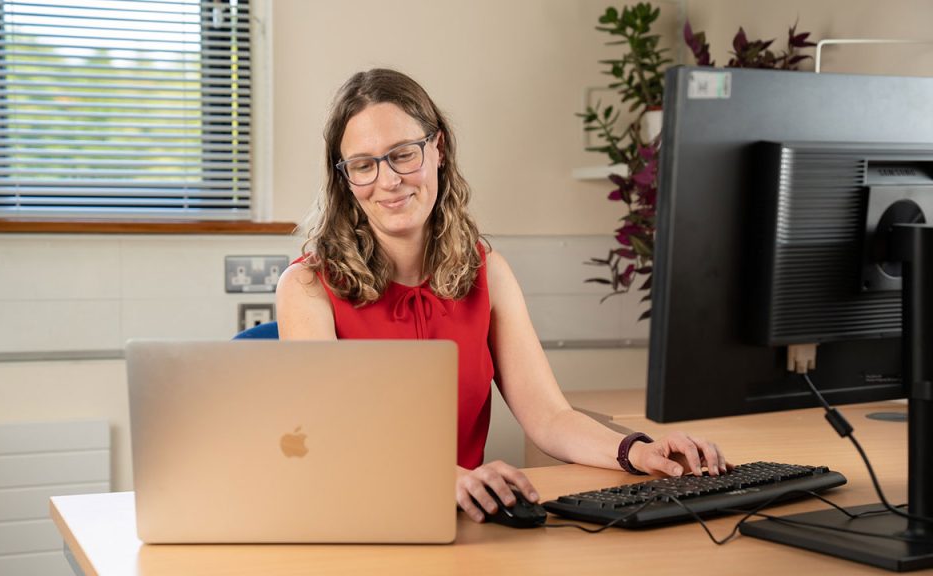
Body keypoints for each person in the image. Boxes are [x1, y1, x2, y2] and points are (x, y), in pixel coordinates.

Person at [276, 68, 728, 523]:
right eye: (363, 164)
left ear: (438, 149)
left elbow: (550, 418)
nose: (388, 180)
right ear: (345, 178)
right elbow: (328, 436)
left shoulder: (487, 271)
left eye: (403, 155)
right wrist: (437, 476)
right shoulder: (307, 287)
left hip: (465, 521)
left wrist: (639, 452)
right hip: (353, 520)